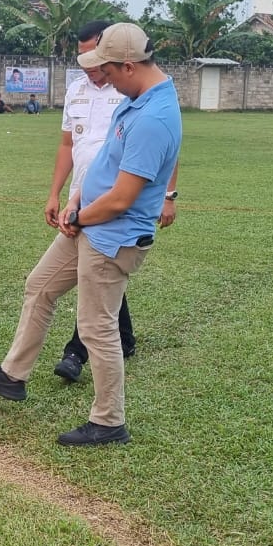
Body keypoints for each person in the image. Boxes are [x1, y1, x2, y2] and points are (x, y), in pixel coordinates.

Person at [0, 23, 181, 446]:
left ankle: (108, 422)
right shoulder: (136, 99)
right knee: (40, 286)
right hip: (87, 222)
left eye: (108, 71)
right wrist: (74, 200)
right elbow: (104, 161)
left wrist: (81, 218)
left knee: (97, 326)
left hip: (111, 236)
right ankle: (13, 375)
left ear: (129, 65)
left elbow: (122, 198)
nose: (101, 79)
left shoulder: (155, 117)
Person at [46, 20, 179, 384]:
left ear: (125, 63)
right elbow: (69, 145)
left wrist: (169, 196)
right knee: (98, 292)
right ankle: (125, 340)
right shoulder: (83, 91)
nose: (95, 67)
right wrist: (62, 194)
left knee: (96, 311)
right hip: (85, 199)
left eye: (102, 60)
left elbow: (157, 159)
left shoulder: (140, 100)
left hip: (108, 213)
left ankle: (81, 367)